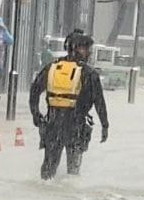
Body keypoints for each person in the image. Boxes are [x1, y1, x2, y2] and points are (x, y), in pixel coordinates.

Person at [29, 29, 109, 181]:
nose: (89, 53)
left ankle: (43, 192)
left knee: (48, 166)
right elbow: (99, 101)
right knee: (73, 169)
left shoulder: (52, 68)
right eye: (88, 49)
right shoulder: (89, 73)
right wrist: (105, 125)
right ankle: (68, 197)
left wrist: (36, 115)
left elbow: (34, 91)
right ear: (80, 49)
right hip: (76, 126)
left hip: (52, 123)